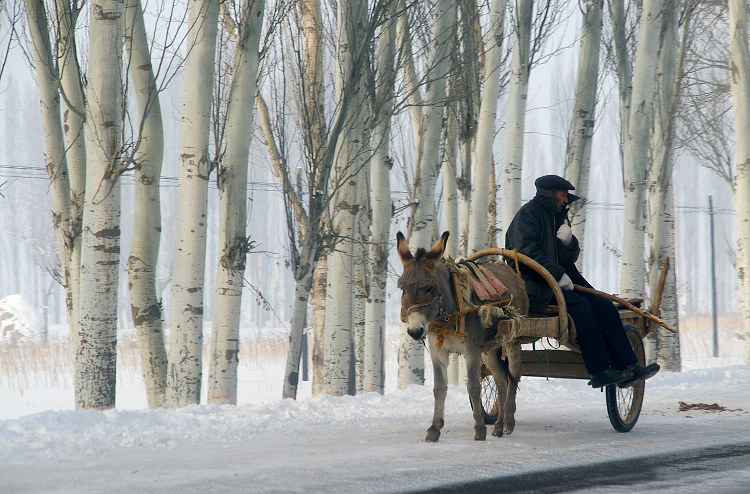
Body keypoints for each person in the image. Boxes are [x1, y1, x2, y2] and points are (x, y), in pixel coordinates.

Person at [505, 174, 660, 388]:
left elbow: (569, 256)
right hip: (535, 288)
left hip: (561, 283)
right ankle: (599, 371)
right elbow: (524, 253)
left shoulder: (557, 217)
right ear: (549, 195)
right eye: (563, 196)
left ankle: (629, 367)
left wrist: (570, 243)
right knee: (583, 308)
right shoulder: (528, 216)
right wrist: (556, 274)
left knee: (604, 306)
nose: (567, 200)